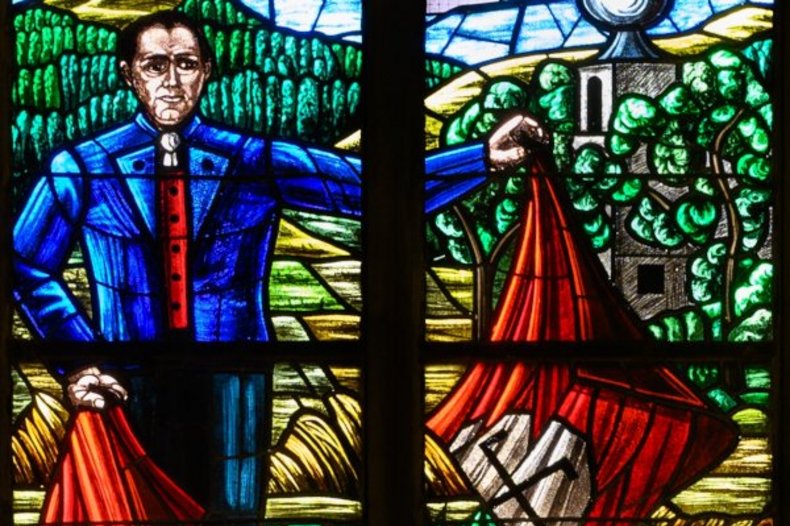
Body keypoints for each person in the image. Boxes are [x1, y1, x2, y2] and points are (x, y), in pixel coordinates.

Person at [12, 9, 539, 519]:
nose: (172, 81)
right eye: (156, 66)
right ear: (129, 75)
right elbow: (24, 263)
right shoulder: (80, 166)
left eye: (187, 64)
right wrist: (80, 360)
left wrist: (479, 159)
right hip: (128, 378)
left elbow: (366, 188)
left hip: (236, 379)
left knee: (235, 515)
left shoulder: (250, 158)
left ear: (207, 72)